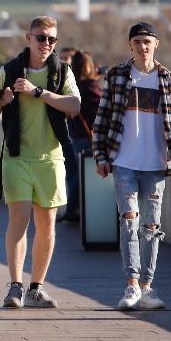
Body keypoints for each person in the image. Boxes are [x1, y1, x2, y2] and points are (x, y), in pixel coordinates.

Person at [93, 22, 171, 311]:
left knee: (151, 226)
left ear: (156, 45)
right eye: (137, 41)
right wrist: (101, 157)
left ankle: (148, 287)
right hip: (123, 161)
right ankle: (132, 285)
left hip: (156, 164)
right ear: (130, 45)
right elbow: (102, 120)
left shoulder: (169, 80)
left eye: (147, 41)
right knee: (129, 221)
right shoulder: (116, 76)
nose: (142, 46)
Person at [0, 16, 82, 309]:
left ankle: (36, 288)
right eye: (41, 38)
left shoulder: (62, 72)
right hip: (16, 157)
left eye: (52, 39)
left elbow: (74, 107)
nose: (47, 44)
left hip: (51, 159)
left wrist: (38, 92)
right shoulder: (9, 70)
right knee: (19, 220)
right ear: (28, 38)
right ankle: (15, 286)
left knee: (47, 225)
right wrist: (1, 102)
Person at [59, 50, 102, 223]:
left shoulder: (73, 87)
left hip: (75, 134)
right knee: (81, 175)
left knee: (75, 174)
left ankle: (72, 210)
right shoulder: (91, 88)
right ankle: (73, 211)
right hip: (87, 136)